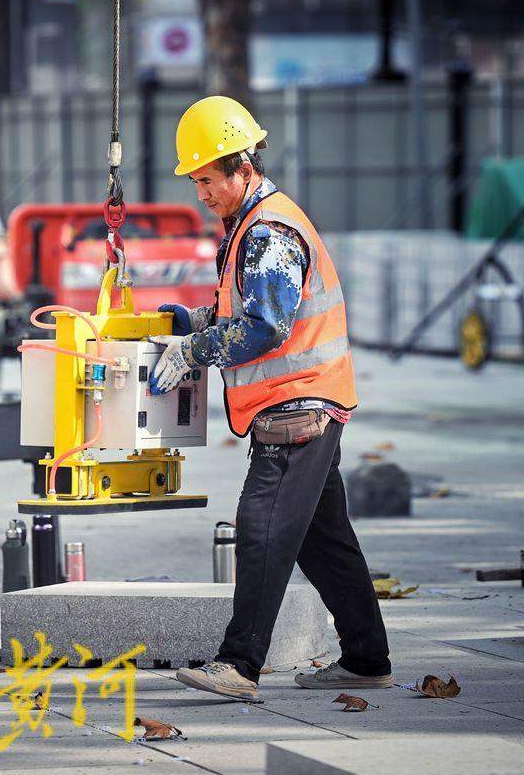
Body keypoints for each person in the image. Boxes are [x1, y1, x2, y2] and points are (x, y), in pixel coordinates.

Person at [149, 95, 391, 701]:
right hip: (308, 403)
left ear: (242, 168)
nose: (200, 194)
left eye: (207, 180)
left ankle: (238, 665)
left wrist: (194, 351)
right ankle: (366, 658)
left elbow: (266, 326)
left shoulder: (271, 231)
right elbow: (249, 308)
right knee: (322, 538)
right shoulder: (253, 226)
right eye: (195, 182)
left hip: (298, 409)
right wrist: (197, 320)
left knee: (260, 529)